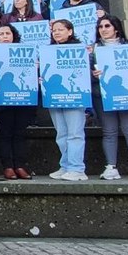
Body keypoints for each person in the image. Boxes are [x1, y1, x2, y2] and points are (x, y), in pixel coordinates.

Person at [92, 15, 128, 182]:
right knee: (109, 132)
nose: (103, 29)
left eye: (107, 26)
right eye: (100, 27)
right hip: (103, 95)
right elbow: (85, 73)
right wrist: (93, 74)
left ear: (116, 28)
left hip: (127, 95)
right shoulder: (93, 50)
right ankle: (111, 167)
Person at [46, 19, 88, 181]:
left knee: (75, 133)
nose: (56, 32)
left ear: (70, 31)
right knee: (62, 134)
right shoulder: (49, 51)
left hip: (74, 97)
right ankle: (66, 166)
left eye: (60, 29)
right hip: (55, 96)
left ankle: (77, 168)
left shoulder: (81, 50)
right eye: (54, 30)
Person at [0, 25, 33, 180]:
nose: (5, 36)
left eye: (8, 33)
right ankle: (8, 166)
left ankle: (20, 166)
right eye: (1, 34)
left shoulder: (25, 52)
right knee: (5, 134)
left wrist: (34, 68)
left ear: (13, 36)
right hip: (1, 102)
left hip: (22, 100)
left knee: (20, 133)